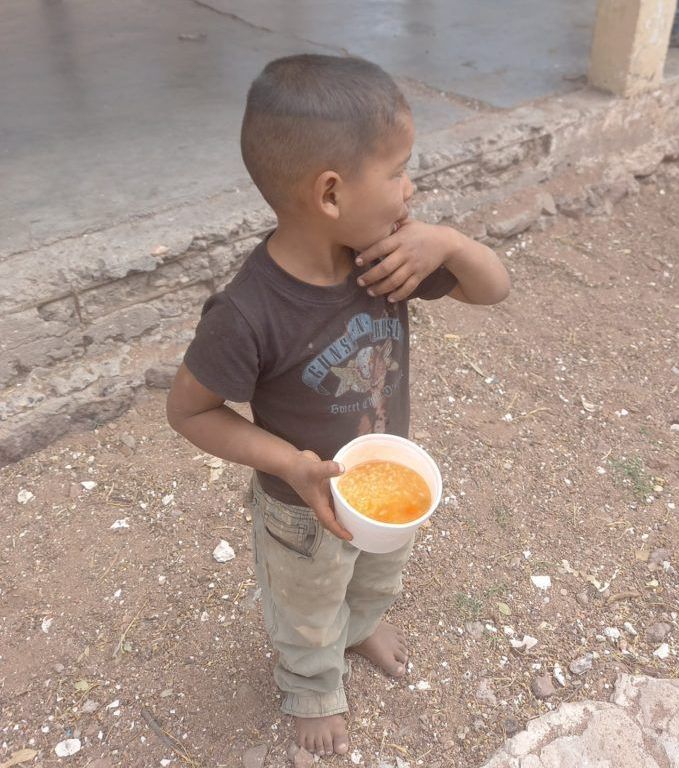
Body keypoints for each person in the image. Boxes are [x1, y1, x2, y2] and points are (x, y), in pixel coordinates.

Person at [166, 54, 510, 756]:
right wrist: (289, 464)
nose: (411, 189)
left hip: (386, 487)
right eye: (397, 171)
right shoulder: (249, 313)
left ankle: (361, 628)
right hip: (300, 508)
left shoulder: (384, 255)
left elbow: (492, 289)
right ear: (330, 194)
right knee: (306, 607)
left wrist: (447, 241)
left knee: (378, 572)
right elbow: (189, 411)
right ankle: (311, 686)